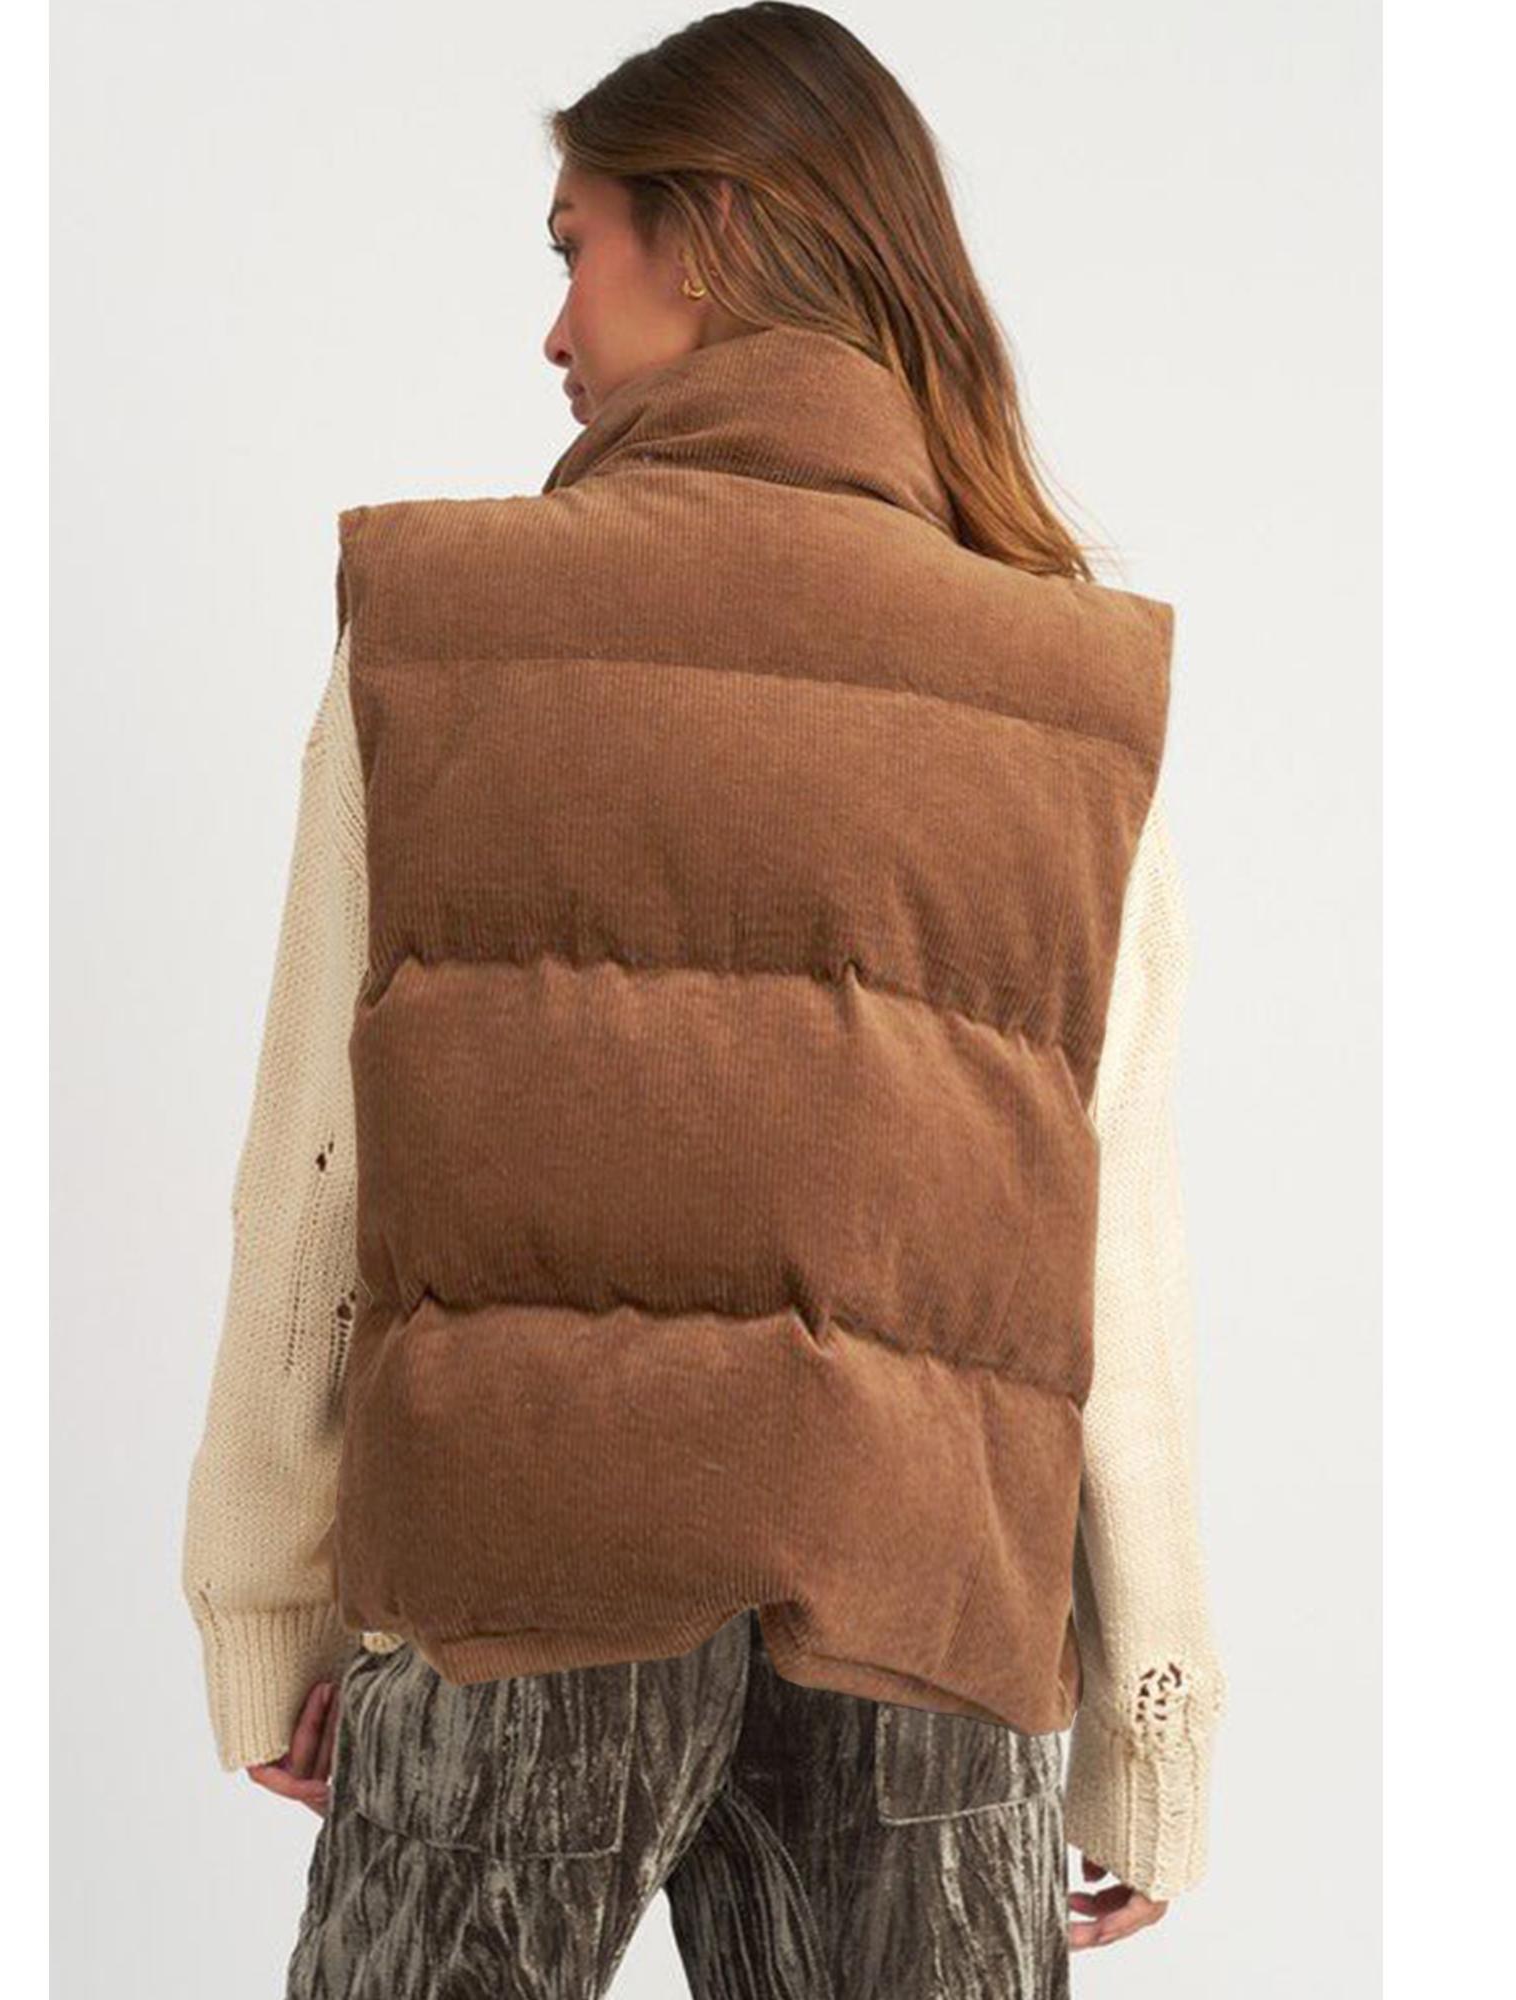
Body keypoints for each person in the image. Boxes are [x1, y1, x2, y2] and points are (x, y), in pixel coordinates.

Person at [181, 6, 1227, 1994]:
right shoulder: (1070, 684)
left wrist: (264, 1598)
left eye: (571, 246)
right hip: (928, 1609)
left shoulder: (439, 625)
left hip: (516, 1586)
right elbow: (1115, 1257)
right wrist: (1149, 1711)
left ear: (715, 232)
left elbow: (316, 1157)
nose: (551, 330)